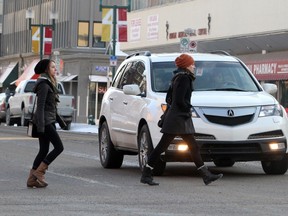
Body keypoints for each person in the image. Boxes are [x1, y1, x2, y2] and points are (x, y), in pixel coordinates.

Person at [140, 53, 223, 186]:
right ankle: (146, 173)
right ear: (186, 66)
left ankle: (205, 175)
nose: (194, 66)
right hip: (178, 118)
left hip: (177, 117)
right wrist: (188, 108)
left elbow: (170, 98)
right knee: (164, 147)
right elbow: (179, 100)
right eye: (192, 64)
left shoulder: (178, 77)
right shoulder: (184, 78)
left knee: (189, 146)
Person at [26, 59, 66, 188]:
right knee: (59, 147)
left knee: (43, 150)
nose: (55, 69)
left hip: (48, 120)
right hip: (45, 122)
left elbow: (51, 107)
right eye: (53, 67)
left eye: (55, 67)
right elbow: (41, 107)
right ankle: (40, 172)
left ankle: (31, 180)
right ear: (46, 70)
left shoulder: (49, 84)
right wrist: (42, 127)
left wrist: (61, 121)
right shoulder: (44, 85)